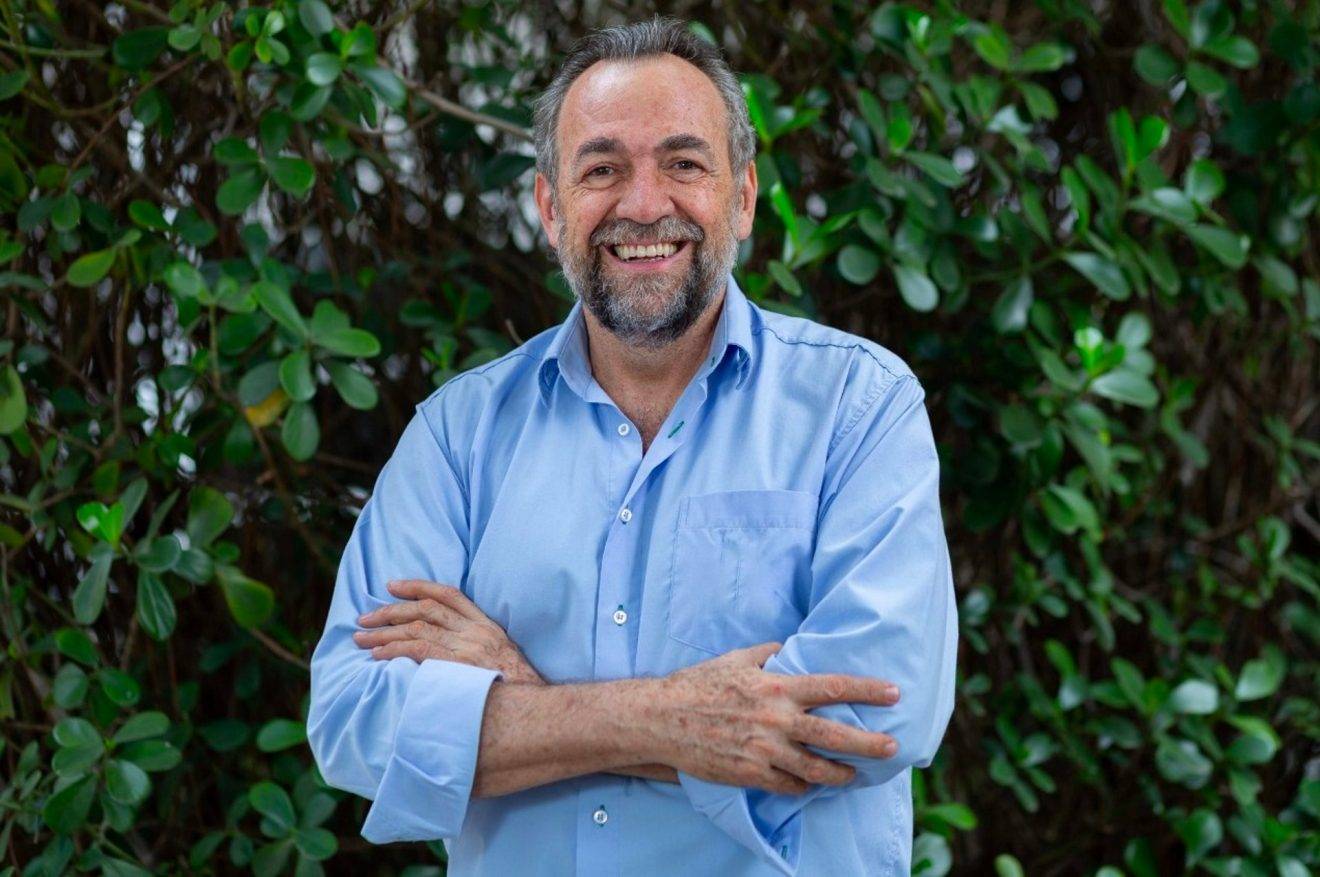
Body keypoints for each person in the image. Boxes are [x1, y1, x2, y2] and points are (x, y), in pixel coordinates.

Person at [307, 17, 958, 876]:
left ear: (743, 197)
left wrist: (520, 698)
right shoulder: (457, 435)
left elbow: (876, 717)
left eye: (684, 163)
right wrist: (672, 720)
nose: (644, 205)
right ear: (550, 208)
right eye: (602, 169)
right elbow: (354, 718)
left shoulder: (858, 407)